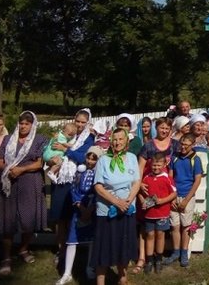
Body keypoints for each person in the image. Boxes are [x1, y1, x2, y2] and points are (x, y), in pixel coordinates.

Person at [0, 111, 48, 275]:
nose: (23, 126)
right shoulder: (8, 139)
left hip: (30, 183)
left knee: (28, 218)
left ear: (33, 125)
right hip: (9, 182)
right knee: (8, 220)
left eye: (27, 123)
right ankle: (6, 256)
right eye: (21, 123)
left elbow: (40, 163)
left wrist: (22, 169)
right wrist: (10, 169)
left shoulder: (40, 140)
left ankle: (23, 249)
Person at [92, 128, 141, 285]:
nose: (117, 142)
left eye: (121, 139)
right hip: (107, 211)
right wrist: (116, 202)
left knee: (124, 245)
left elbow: (136, 182)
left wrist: (127, 201)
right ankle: (100, 281)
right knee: (104, 247)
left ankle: (122, 277)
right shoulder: (103, 160)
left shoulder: (133, 158)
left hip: (127, 210)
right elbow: (98, 187)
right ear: (110, 141)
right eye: (114, 139)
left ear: (126, 141)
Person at [49, 108, 96, 266]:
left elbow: (84, 156)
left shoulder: (89, 138)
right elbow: (51, 148)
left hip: (76, 179)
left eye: (84, 122)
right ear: (74, 120)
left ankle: (74, 248)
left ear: (88, 122)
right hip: (62, 178)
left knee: (72, 216)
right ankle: (61, 249)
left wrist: (66, 150)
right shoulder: (66, 133)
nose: (80, 125)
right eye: (78, 121)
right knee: (60, 217)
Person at [56, 146, 102, 285]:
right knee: (72, 240)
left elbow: (99, 191)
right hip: (79, 209)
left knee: (92, 240)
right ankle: (67, 272)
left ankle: (89, 267)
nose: (90, 161)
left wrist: (90, 208)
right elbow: (73, 189)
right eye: (89, 157)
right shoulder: (79, 172)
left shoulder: (99, 174)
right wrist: (80, 207)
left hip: (92, 209)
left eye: (94, 159)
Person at [165, 134, 203, 267]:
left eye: (186, 145)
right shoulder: (174, 157)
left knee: (186, 226)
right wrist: (172, 196)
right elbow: (170, 176)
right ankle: (175, 252)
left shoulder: (195, 159)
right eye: (182, 144)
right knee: (174, 225)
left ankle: (184, 253)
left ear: (192, 145)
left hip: (187, 196)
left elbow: (197, 180)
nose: (183, 147)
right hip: (174, 196)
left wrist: (186, 200)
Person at [139, 151, 176, 274]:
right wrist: (142, 201)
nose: (156, 168)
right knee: (149, 235)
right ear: (150, 165)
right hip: (149, 214)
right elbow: (140, 192)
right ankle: (149, 260)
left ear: (164, 164)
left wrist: (162, 201)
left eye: (159, 165)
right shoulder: (146, 177)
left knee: (160, 235)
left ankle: (159, 259)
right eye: (154, 165)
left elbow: (174, 193)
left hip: (162, 213)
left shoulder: (167, 178)